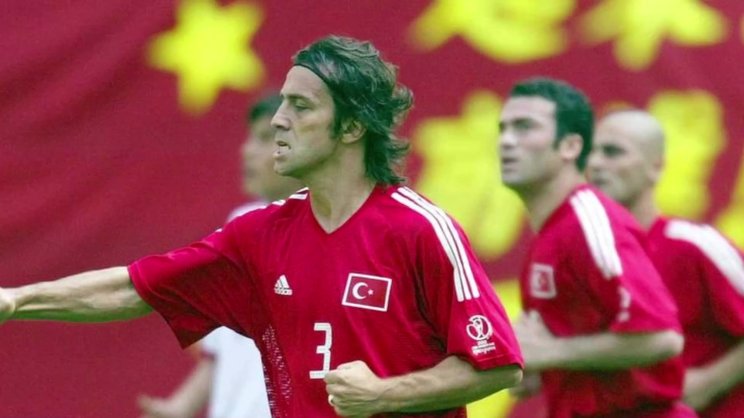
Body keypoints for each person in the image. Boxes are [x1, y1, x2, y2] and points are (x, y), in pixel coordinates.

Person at [0, 35, 523, 418]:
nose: (277, 121)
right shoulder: (259, 234)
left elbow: (498, 365)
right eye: (282, 105)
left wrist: (383, 394)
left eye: (300, 106)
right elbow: (134, 287)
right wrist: (18, 300)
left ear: (351, 126)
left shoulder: (421, 229)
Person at [498, 77, 695, 417]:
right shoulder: (553, 234)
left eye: (524, 127)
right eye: (502, 129)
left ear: (570, 147)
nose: (506, 141)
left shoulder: (590, 224)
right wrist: (538, 370)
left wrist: (550, 352)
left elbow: (662, 337)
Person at [137, 93, 302, 418]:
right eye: (250, 138)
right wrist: (179, 408)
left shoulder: (334, 235)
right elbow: (224, 347)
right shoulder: (241, 224)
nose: (246, 151)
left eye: (265, 138)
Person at [587, 109, 744, 417]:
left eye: (613, 152)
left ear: (656, 167)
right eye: (589, 153)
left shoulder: (692, 245)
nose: (595, 163)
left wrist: (709, 382)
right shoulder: (587, 259)